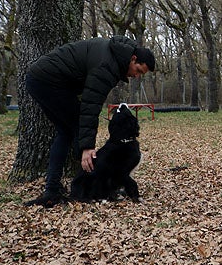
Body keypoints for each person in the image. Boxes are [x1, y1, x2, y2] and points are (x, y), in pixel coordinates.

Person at [24, 36, 155, 207]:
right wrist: (87, 147)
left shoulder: (114, 55)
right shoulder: (107, 66)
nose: (137, 76)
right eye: (139, 70)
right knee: (75, 127)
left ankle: (55, 187)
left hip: (45, 79)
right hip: (46, 81)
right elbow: (90, 107)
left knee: (67, 131)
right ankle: (62, 187)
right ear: (133, 59)